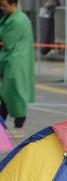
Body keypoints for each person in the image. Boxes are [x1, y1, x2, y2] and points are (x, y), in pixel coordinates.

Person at [0, 0, 34, 138]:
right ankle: (3, 126)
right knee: (6, 95)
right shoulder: (11, 17)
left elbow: (7, 42)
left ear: (14, 4)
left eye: (4, 5)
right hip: (11, 60)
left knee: (15, 94)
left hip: (15, 61)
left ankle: (18, 126)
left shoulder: (17, 20)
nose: (2, 8)